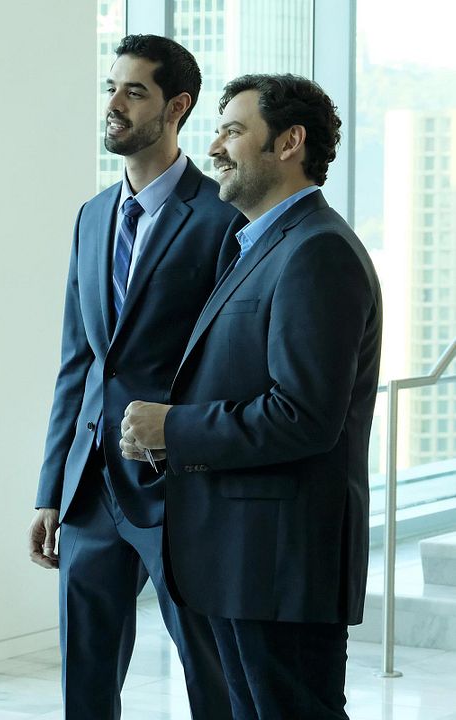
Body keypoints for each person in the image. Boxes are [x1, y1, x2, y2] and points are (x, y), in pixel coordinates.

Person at [121, 74, 382, 719]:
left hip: (279, 564)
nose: (214, 146)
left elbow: (304, 416)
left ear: (289, 142)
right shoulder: (261, 246)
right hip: (244, 559)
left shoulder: (317, 253)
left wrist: (171, 430)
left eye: (234, 130)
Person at [28, 35, 242, 719]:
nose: (112, 105)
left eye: (134, 91)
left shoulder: (222, 219)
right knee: (83, 683)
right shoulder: (92, 217)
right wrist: (49, 488)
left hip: (180, 491)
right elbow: (77, 363)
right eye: (110, 87)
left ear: (176, 106)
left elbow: (229, 362)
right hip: (89, 491)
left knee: (210, 673)